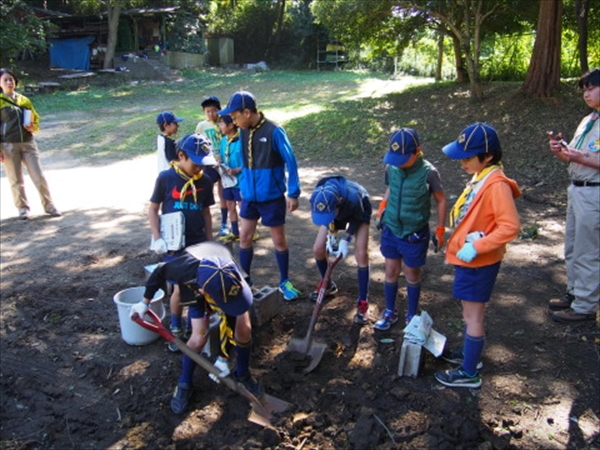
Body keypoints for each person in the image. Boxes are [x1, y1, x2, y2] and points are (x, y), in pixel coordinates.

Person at [434, 122, 521, 388]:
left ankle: (469, 373)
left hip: (478, 262)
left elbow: (510, 226)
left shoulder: (495, 185)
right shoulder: (482, 177)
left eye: (468, 157)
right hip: (469, 259)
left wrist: (477, 246)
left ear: (489, 156)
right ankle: (471, 357)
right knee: (469, 314)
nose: (462, 162)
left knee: (473, 317)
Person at [130, 247, 262, 414]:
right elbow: (159, 271)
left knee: (243, 328)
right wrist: (144, 303)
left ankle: (243, 375)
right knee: (199, 338)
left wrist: (223, 357)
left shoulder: (232, 277)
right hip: (195, 284)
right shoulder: (183, 270)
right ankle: (184, 383)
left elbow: (231, 316)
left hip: (225, 281)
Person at [218, 90, 302, 301]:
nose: (234, 122)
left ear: (247, 112)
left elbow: (291, 162)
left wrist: (293, 193)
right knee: (244, 237)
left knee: (279, 241)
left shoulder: (274, 131)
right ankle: (245, 280)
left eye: (235, 117)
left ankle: (284, 281)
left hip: (271, 197)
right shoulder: (243, 131)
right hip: (249, 198)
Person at [149, 132, 216, 352]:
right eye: (196, 163)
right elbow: (153, 208)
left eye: (204, 164)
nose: (201, 168)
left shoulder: (205, 181)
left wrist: (210, 239)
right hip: (174, 245)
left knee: (197, 286)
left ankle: (191, 326)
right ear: (181, 155)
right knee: (178, 288)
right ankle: (175, 325)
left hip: (197, 244)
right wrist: (157, 236)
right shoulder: (166, 178)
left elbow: (206, 211)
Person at [375, 128, 447, 330]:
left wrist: (440, 229)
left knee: (411, 273)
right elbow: (390, 187)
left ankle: (411, 314)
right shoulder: (391, 167)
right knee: (390, 270)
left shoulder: (429, 173)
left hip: (414, 232)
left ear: (418, 151)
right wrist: (383, 206)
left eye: (403, 158)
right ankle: (390, 311)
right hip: (391, 228)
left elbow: (441, 200)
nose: (398, 162)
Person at [547, 68, 600, 323]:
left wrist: (582, 157)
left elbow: (587, 158)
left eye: (591, 88)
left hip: (594, 192)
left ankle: (586, 306)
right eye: (584, 90)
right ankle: (574, 293)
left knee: (588, 250)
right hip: (576, 188)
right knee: (571, 246)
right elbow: (573, 157)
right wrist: (560, 151)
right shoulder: (587, 120)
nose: (586, 94)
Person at [309, 175, 372, 324]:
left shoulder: (353, 199)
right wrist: (332, 235)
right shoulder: (321, 195)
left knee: (361, 254)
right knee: (318, 248)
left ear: (339, 204)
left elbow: (357, 218)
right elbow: (327, 217)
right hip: (333, 211)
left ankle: (363, 301)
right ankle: (328, 286)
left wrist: (346, 239)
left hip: (360, 211)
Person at [0, 68, 61, 220]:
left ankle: (49, 205)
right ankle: (22, 208)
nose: (9, 82)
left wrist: (33, 127)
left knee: (39, 176)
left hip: (28, 143)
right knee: (16, 179)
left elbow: (35, 119)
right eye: (5, 80)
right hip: (8, 145)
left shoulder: (24, 100)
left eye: (11, 79)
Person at [196, 96, 229, 238]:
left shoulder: (225, 123)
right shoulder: (202, 126)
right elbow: (197, 144)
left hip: (224, 162)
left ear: (219, 110)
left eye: (214, 111)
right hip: (209, 163)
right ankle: (202, 223)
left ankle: (224, 223)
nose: (211, 114)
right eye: (208, 111)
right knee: (205, 192)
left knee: (224, 194)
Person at [216, 114, 243, 243]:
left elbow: (249, 161)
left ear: (231, 125)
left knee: (242, 206)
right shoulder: (223, 141)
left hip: (240, 181)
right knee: (230, 205)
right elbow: (221, 156)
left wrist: (237, 170)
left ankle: (248, 232)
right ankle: (235, 231)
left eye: (221, 123)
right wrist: (219, 161)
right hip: (227, 181)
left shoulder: (242, 140)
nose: (220, 126)